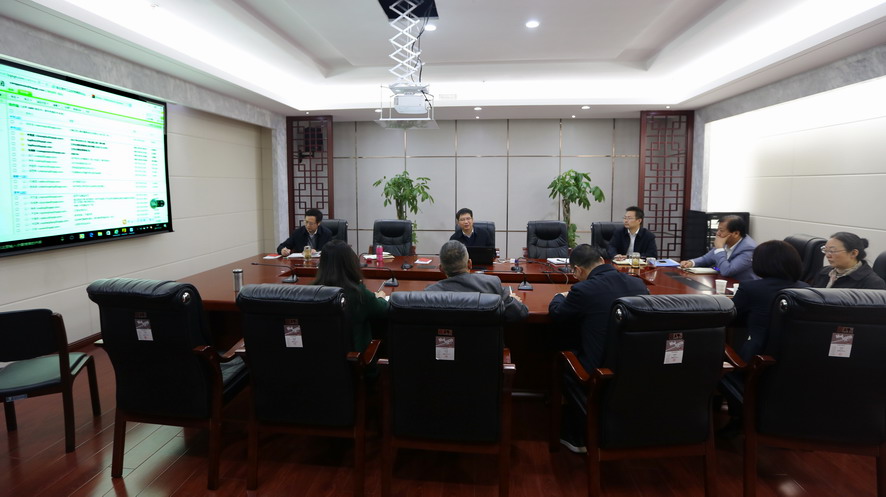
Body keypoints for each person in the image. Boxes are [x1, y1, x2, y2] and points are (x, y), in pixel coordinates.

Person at [548, 244, 649, 453]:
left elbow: (558, 314)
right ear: (602, 261)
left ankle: (583, 432)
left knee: (564, 362)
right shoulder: (637, 284)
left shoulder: (583, 290)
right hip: (635, 368)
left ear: (577, 270)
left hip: (598, 371)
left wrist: (559, 296)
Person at [311, 240, 388, 353]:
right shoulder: (358, 293)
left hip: (318, 359)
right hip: (354, 360)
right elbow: (383, 309)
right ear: (350, 263)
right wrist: (380, 297)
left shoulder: (311, 292)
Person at [425, 240, 527, 322]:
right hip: (485, 342)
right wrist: (511, 300)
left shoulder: (430, 294)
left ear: (441, 269)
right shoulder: (491, 284)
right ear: (470, 264)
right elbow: (521, 313)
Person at [679, 215, 759, 282]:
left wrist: (720, 248)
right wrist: (691, 262)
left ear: (736, 233)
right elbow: (706, 259)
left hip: (742, 288)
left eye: (721, 230)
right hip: (723, 283)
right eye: (718, 230)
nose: (717, 233)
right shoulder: (726, 241)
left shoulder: (749, 248)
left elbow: (727, 271)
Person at [812, 232, 886, 289]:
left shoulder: (872, 283)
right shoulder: (824, 272)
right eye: (825, 250)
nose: (827, 255)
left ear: (854, 253)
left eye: (832, 251)